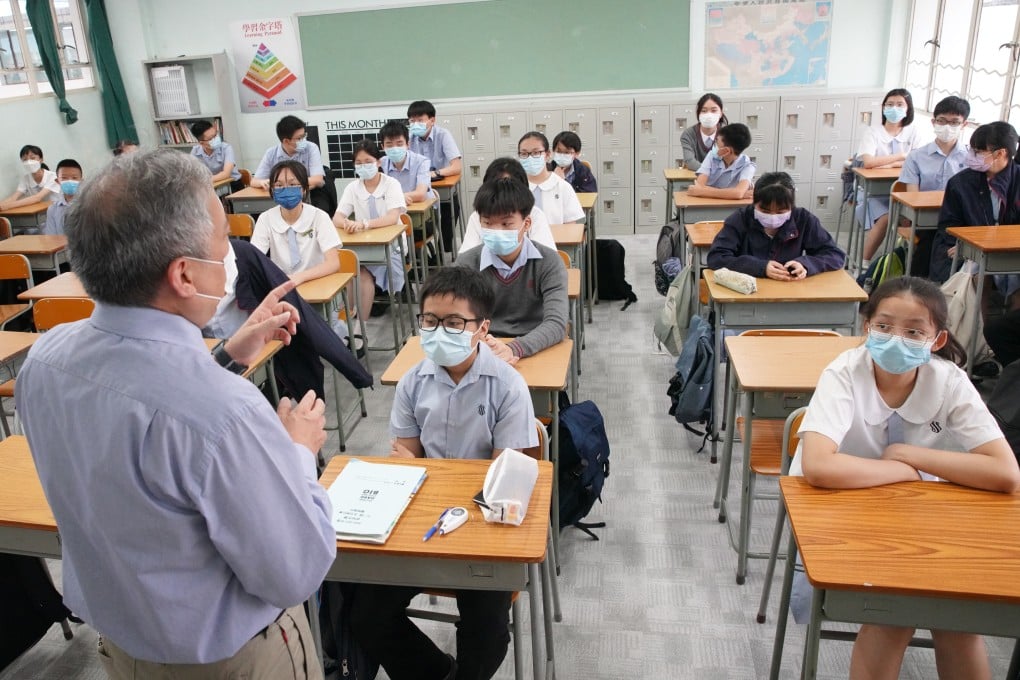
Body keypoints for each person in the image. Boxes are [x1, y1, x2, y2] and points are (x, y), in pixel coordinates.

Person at [15, 148, 335, 678]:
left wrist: (227, 356)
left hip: (122, 646)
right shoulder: (226, 414)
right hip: (229, 659)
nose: (231, 256)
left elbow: (145, 413)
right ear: (185, 275)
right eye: (221, 244)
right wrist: (297, 452)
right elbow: (293, 571)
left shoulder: (46, 360)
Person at [793, 276, 1020, 680]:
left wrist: (910, 455)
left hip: (913, 516)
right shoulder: (844, 373)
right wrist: (900, 470)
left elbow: (1004, 473)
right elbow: (819, 466)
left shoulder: (948, 379)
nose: (896, 339)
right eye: (883, 327)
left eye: (914, 331)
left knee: (958, 618)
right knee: (892, 614)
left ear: (936, 340)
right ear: (866, 327)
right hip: (838, 511)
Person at [350, 266, 536, 680]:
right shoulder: (413, 381)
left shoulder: (507, 386)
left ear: (482, 327)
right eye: (430, 321)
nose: (438, 330)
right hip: (420, 520)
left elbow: (502, 480)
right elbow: (405, 461)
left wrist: (424, 472)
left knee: (486, 636)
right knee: (365, 615)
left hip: (481, 528)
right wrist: (415, 472)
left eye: (453, 323)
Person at [455, 177, 567, 363]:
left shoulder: (548, 262)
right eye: (488, 223)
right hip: (481, 347)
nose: (497, 230)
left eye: (506, 224)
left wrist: (514, 348)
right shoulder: (466, 264)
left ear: (527, 224)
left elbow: (557, 323)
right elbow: (456, 318)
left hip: (534, 345)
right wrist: (481, 342)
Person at [707, 171, 845, 279]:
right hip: (747, 291)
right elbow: (716, 258)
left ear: (792, 207)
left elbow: (834, 255)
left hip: (790, 291)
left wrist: (805, 264)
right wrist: (760, 267)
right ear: (754, 204)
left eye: (781, 211)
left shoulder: (803, 220)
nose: (773, 217)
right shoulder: (740, 219)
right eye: (765, 211)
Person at [930, 121, 1020, 285]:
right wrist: (965, 246)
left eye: (978, 152)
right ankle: (980, 311)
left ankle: (1013, 308)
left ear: (1000, 154)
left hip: (1011, 250)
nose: (971, 155)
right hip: (969, 251)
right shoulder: (960, 183)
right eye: (972, 150)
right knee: (979, 273)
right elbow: (949, 226)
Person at [896, 96, 970, 277]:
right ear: (933, 122)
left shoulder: (970, 157)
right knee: (932, 240)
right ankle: (918, 284)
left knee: (962, 242)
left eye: (954, 122)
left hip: (960, 219)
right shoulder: (916, 157)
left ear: (964, 125)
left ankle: (954, 286)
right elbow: (913, 198)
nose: (947, 127)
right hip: (928, 219)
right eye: (942, 121)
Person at [333, 139, 407, 321]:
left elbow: (392, 218)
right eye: (358, 163)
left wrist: (364, 224)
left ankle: (361, 327)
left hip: (392, 246)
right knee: (353, 272)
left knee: (360, 271)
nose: (363, 166)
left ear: (378, 162)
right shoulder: (353, 187)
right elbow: (337, 217)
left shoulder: (391, 184)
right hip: (362, 244)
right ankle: (349, 324)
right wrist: (347, 224)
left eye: (368, 162)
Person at [856, 88, 923, 265]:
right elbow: (869, 162)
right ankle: (865, 262)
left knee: (914, 218)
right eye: (890, 104)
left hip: (904, 191)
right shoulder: (873, 132)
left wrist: (888, 164)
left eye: (900, 104)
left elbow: (917, 162)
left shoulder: (913, 132)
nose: (894, 108)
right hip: (874, 193)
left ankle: (910, 263)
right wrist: (901, 157)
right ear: (883, 107)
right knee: (887, 217)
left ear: (908, 108)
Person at [250, 160, 340, 287]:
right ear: (272, 190)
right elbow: (255, 259)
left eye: (292, 184)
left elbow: (333, 263)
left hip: (316, 282)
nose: (286, 189)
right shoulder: (266, 219)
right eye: (279, 185)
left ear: (304, 189)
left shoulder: (319, 217)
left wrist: (300, 277)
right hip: (281, 285)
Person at [459, 157, 556, 253]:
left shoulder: (536, 215)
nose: (503, 193)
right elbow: (465, 257)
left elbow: (546, 256)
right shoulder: (477, 217)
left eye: (510, 187)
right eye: (488, 223)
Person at [408, 100, 463, 254]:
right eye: (412, 121)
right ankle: (417, 254)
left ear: (432, 120)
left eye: (420, 120)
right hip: (419, 188)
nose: (415, 124)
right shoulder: (408, 138)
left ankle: (442, 249)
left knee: (450, 209)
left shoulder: (443, 134)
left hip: (441, 183)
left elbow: (456, 166)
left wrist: (435, 174)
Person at [517, 131, 585, 226]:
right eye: (524, 154)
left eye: (536, 153)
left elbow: (570, 230)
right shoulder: (515, 188)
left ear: (548, 154)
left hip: (557, 240)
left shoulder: (563, 187)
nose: (530, 158)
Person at [251, 115, 325, 192]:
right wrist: (262, 182)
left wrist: (286, 184)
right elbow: (254, 181)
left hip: (311, 191)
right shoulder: (271, 153)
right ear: (286, 141)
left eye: (304, 136)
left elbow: (317, 179)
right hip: (283, 193)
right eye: (299, 138)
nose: (304, 140)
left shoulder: (311, 148)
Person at [686, 123, 756, 199]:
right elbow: (699, 186)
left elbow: (738, 193)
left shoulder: (748, 166)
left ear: (726, 151)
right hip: (709, 204)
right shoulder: (712, 156)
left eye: (717, 142)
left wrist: (703, 191)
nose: (714, 145)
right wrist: (734, 194)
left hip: (732, 207)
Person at [379, 119, 432, 205]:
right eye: (389, 144)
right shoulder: (380, 164)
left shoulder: (421, 162)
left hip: (421, 211)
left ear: (408, 144)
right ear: (383, 146)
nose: (395, 148)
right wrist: (399, 198)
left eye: (399, 144)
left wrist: (393, 197)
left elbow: (421, 194)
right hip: (393, 209)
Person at [190, 119, 244, 193]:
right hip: (210, 186)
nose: (215, 139)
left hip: (232, 184)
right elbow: (192, 174)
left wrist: (204, 180)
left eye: (215, 135)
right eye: (211, 138)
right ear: (201, 143)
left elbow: (226, 174)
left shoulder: (226, 148)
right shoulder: (195, 151)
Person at [0, 145, 59, 211]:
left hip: (57, 211)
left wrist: (8, 206)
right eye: (25, 159)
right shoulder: (25, 179)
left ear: (41, 160)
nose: (28, 162)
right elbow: (14, 197)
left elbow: (37, 198)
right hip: (39, 212)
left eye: (32, 158)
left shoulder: (53, 176)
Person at [680, 93, 729, 171]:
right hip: (694, 178)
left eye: (713, 110)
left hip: (720, 179)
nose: (709, 115)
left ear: (721, 113)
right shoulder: (688, 134)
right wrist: (710, 171)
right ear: (698, 114)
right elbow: (690, 161)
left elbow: (732, 161)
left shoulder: (728, 134)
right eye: (704, 111)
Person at [43, 158, 83, 236]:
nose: (69, 181)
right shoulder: (53, 209)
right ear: (57, 181)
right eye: (64, 178)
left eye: (74, 178)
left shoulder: (89, 206)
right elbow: (51, 237)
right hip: (61, 247)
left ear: (81, 181)